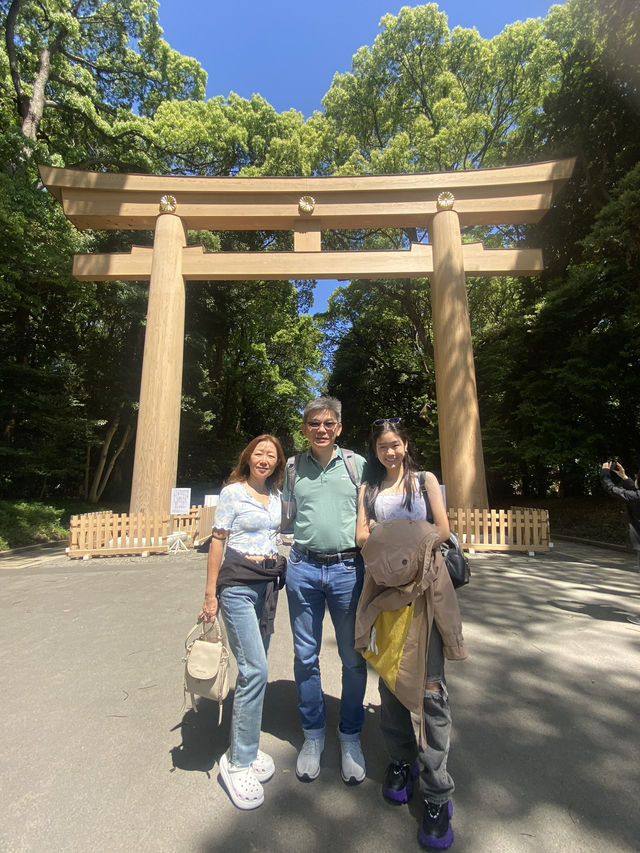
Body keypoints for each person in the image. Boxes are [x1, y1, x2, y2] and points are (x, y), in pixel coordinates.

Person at [355, 418, 467, 851]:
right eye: (382, 446)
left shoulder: (425, 481)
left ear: (405, 446)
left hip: (425, 593)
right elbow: (361, 534)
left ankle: (438, 790)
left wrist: (399, 548)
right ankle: (402, 760)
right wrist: (399, 549)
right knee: (389, 680)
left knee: (432, 688)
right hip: (384, 592)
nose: (389, 452)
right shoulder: (369, 490)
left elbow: (442, 529)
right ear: (376, 449)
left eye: (395, 445)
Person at [282, 396, 368, 785]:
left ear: (339, 427)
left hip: (349, 568)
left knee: (353, 657)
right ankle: (313, 735)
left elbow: (382, 510)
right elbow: (280, 513)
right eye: (313, 423)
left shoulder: (357, 465)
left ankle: (350, 735)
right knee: (305, 655)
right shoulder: (292, 467)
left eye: (328, 423)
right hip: (302, 566)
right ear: (304, 428)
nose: (321, 429)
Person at [199, 434, 287, 810]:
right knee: (254, 668)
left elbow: (277, 537)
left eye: (271, 454)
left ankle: (246, 750)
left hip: (267, 587)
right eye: (258, 452)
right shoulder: (233, 492)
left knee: (255, 671)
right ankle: (236, 763)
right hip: (236, 585)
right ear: (247, 457)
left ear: (277, 462)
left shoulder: (278, 496)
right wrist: (209, 593)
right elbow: (218, 539)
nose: (264, 458)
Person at [600, 460, 640, 573]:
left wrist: (605, 473)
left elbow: (612, 489)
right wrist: (624, 476)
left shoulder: (636, 497)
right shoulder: (636, 496)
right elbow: (635, 492)